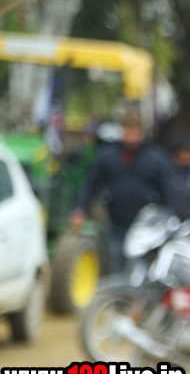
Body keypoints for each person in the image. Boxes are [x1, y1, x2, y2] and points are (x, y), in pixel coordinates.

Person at [70, 110, 174, 273]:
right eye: (128, 130)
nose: (131, 136)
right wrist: (80, 210)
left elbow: (168, 192)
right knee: (117, 266)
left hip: (145, 227)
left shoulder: (156, 158)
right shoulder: (108, 156)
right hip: (117, 223)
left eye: (135, 130)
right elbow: (91, 185)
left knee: (141, 268)